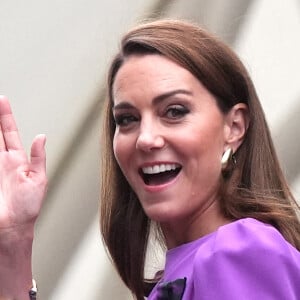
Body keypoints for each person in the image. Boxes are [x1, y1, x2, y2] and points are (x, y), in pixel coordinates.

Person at [0, 19, 300, 300]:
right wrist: (14, 242)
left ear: (233, 127)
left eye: (174, 111)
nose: (145, 138)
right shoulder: (187, 271)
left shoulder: (239, 252)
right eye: (127, 119)